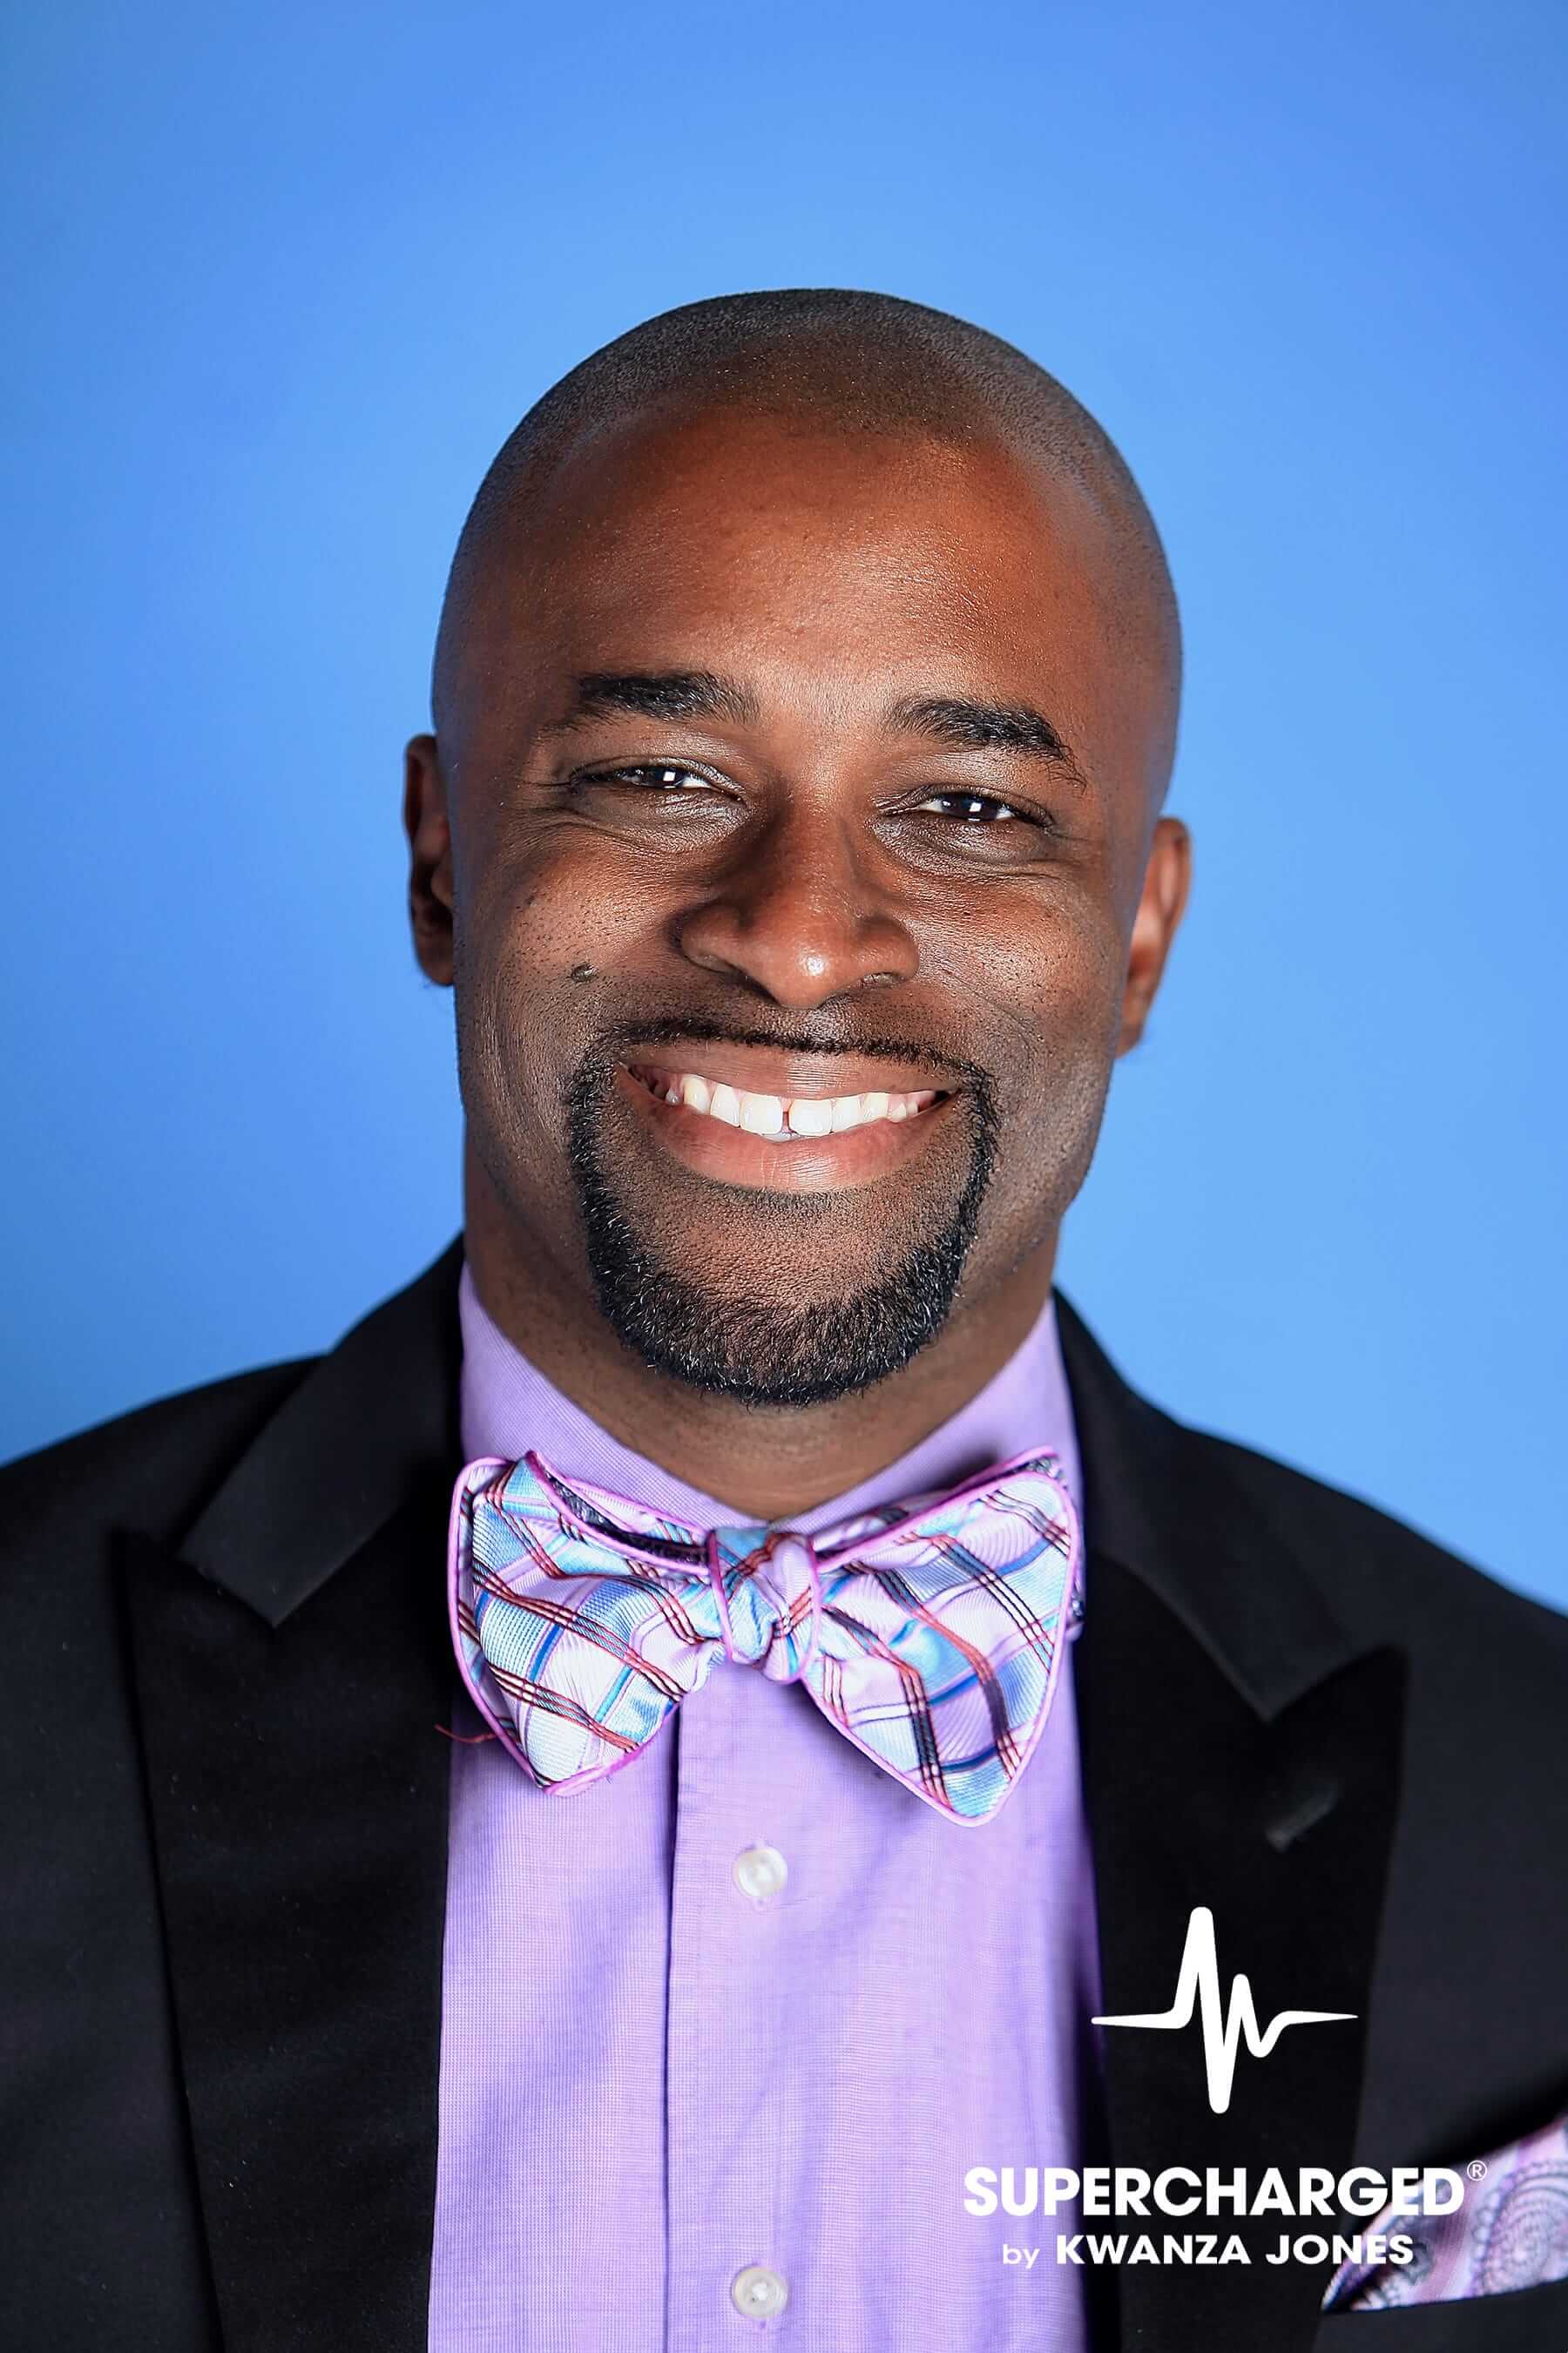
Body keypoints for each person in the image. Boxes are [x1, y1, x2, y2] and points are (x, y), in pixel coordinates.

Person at [3, 291, 1565, 2353]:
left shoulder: (1539, 1799)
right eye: (659, 773)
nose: (803, 938)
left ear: (1141, 935)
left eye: (970, 807)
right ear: (444, 856)